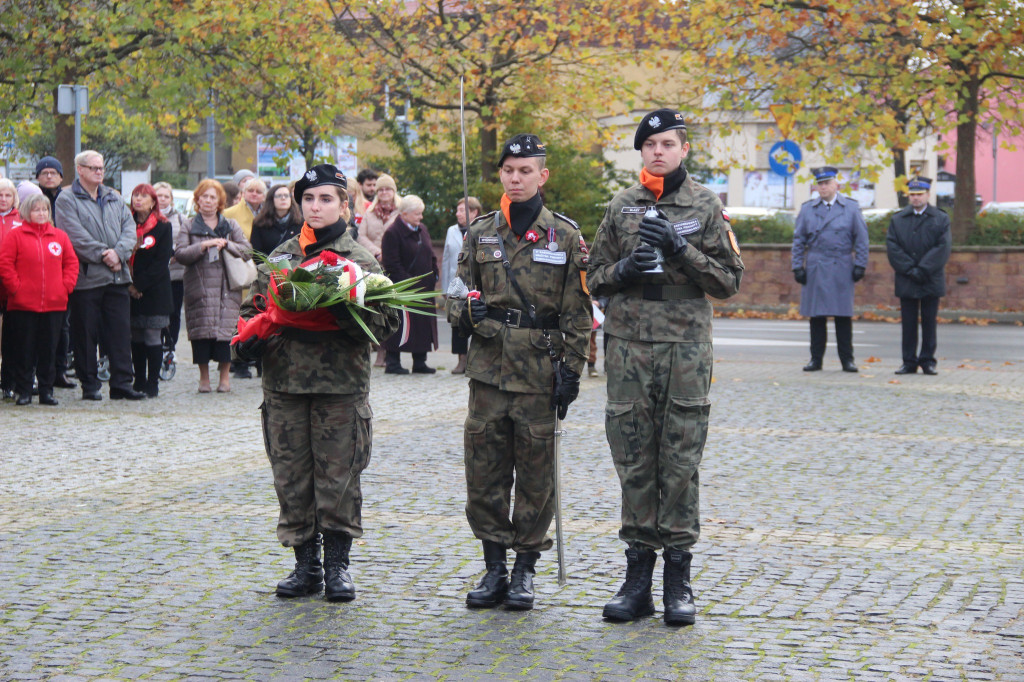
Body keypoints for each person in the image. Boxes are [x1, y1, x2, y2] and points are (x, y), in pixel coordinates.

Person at [587, 109, 744, 625]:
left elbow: (727, 281)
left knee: (680, 456)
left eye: (668, 143)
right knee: (633, 455)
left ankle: (678, 578)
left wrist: (683, 249)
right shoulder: (622, 205)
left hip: (684, 348)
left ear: (684, 150)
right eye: (650, 143)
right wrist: (625, 269)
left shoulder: (704, 204)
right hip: (630, 344)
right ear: (642, 152)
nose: (659, 151)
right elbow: (594, 278)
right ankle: (637, 579)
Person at [234, 164, 400, 601]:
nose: (316, 206)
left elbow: (387, 325)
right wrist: (248, 342)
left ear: (344, 205)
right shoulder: (281, 256)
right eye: (308, 199)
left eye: (326, 199)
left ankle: (338, 567)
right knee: (291, 477)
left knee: (338, 477)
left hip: (339, 389)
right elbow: (254, 309)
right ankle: (304, 565)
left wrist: (344, 308)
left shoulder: (360, 259)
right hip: (285, 385)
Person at [446, 134, 591, 611]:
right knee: (484, 475)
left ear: (542, 175)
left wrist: (572, 369)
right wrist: (467, 310)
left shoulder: (565, 236)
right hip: (488, 372)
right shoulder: (479, 233)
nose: (515, 177)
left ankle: (525, 568)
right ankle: (494, 568)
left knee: (535, 476)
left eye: (525, 170)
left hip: (538, 372)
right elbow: (453, 297)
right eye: (509, 170)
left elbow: (577, 312)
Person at [56, 150, 146, 401]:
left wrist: (118, 253)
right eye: (94, 168)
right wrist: (103, 254)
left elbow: (130, 229)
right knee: (86, 334)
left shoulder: (113, 197)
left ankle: (121, 384)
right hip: (87, 278)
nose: (99, 172)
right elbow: (73, 235)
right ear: (80, 170)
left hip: (117, 278)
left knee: (119, 332)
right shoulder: (66, 198)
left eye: (101, 168)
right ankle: (90, 384)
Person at [174, 179, 252, 393]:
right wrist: (203, 245)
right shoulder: (189, 225)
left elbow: (247, 250)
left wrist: (227, 244)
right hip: (199, 287)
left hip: (227, 288)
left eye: (212, 197)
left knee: (225, 335)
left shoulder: (230, 225)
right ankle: (204, 378)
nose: (208, 200)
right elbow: (180, 254)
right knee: (200, 334)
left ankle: (225, 378)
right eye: (204, 196)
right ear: (197, 199)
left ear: (219, 201)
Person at [0, 193, 79, 406]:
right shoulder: (16, 236)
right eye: (37, 210)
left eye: (44, 210)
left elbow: (71, 264)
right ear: (28, 212)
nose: (41, 213)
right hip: (23, 304)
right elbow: (5, 264)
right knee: (24, 349)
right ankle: (24, 390)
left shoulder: (59, 236)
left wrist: (65, 287)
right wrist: (16, 288)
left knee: (49, 349)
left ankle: (46, 391)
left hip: (54, 304)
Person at [791, 166, 869, 372]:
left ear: (836, 185)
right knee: (816, 317)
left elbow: (861, 240)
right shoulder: (808, 209)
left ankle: (847, 360)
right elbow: (798, 240)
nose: (823, 187)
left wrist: (860, 264)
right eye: (820, 184)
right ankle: (816, 359)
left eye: (827, 183)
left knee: (843, 316)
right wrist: (797, 266)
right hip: (816, 265)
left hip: (841, 264)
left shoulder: (851, 208)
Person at [885, 177, 952, 375]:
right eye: (912, 195)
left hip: (930, 278)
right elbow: (892, 247)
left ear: (928, 195)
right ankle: (908, 361)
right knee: (908, 323)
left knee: (929, 322)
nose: (915, 198)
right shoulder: (898, 219)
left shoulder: (940, 218)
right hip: (907, 278)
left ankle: (928, 360)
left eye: (919, 194)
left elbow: (943, 247)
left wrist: (922, 269)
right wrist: (909, 269)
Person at [380, 194, 438, 374]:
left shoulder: (422, 229)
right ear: (404, 214)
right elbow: (392, 264)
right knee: (400, 325)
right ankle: (393, 362)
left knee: (422, 325)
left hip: (424, 288)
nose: (420, 218)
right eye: (417, 214)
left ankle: (420, 361)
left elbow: (430, 253)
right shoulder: (392, 233)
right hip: (403, 289)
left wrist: (434, 273)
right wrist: (408, 284)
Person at [128, 184, 174, 398]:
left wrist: (140, 285)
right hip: (130, 287)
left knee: (152, 334)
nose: (138, 199)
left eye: (144, 196)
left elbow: (161, 261)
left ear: (153, 201)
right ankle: (138, 379)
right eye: (136, 195)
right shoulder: (126, 224)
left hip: (155, 289)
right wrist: (130, 284)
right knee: (135, 334)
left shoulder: (163, 226)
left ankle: (153, 382)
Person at [35, 156, 76, 389]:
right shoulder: (31, 200)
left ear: (61, 176)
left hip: (61, 272)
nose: (49, 176)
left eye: (53, 172)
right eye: (44, 172)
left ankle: (60, 370)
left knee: (63, 326)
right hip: (37, 272)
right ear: (38, 176)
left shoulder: (68, 199)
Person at [440, 197, 482, 374]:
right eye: (457, 210)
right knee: (456, 322)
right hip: (456, 283)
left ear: (474, 212)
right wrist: (444, 288)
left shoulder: (483, 229)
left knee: (478, 321)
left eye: (462, 210)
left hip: (477, 284)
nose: (458, 214)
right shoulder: (451, 231)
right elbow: (446, 259)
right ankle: (461, 360)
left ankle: (477, 361)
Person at [153, 182, 186, 359]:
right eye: (159, 195)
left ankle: (170, 348)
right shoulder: (148, 217)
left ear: (171, 199)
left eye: (166, 196)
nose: (163, 199)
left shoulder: (180, 218)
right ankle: (155, 346)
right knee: (156, 314)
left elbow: (185, 241)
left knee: (174, 313)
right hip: (155, 275)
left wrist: (175, 253)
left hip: (176, 273)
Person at [0, 178, 25, 401]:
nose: (3, 199)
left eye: (7, 195)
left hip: (12, 287)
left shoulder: (20, 220)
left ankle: (9, 382)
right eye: (0, 195)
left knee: (12, 337)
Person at [250, 183, 302, 255]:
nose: (283, 198)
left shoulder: (300, 222)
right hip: (269, 264)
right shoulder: (260, 223)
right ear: (271, 199)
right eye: (279, 196)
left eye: (286, 195)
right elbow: (256, 252)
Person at [356, 173, 398, 261]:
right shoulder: (369, 212)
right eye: (381, 190)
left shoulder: (401, 212)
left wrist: (387, 254)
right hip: (374, 261)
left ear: (394, 191)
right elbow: (361, 236)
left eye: (388, 189)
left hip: (397, 260)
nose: (384, 192)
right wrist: (377, 252)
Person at [224, 176, 266, 241]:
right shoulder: (228, 213)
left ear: (264, 196)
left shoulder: (269, 213)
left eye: (258, 192)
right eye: (250, 191)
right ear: (243, 193)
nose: (254, 194)